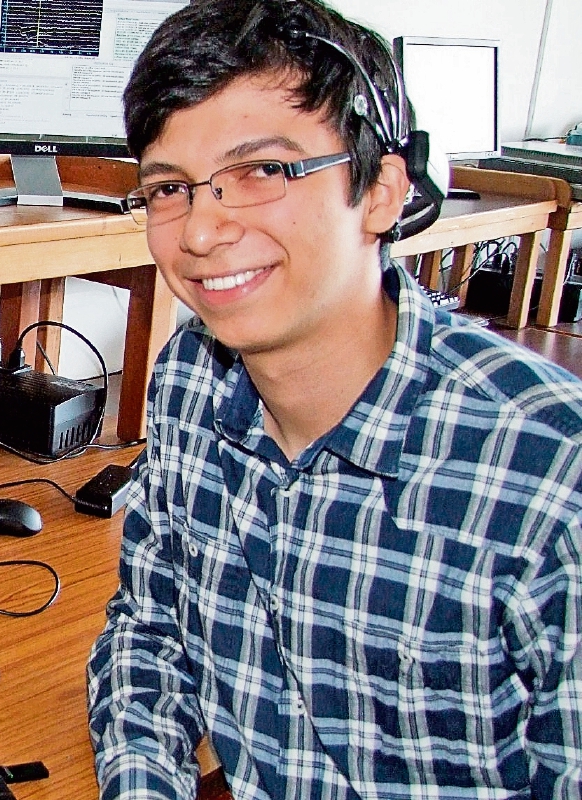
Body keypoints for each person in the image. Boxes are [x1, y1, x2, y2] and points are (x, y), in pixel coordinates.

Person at [85, 1, 582, 798]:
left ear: (384, 190)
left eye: (263, 172)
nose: (202, 231)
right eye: (170, 188)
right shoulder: (188, 379)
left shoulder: (553, 476)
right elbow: (153, 632)